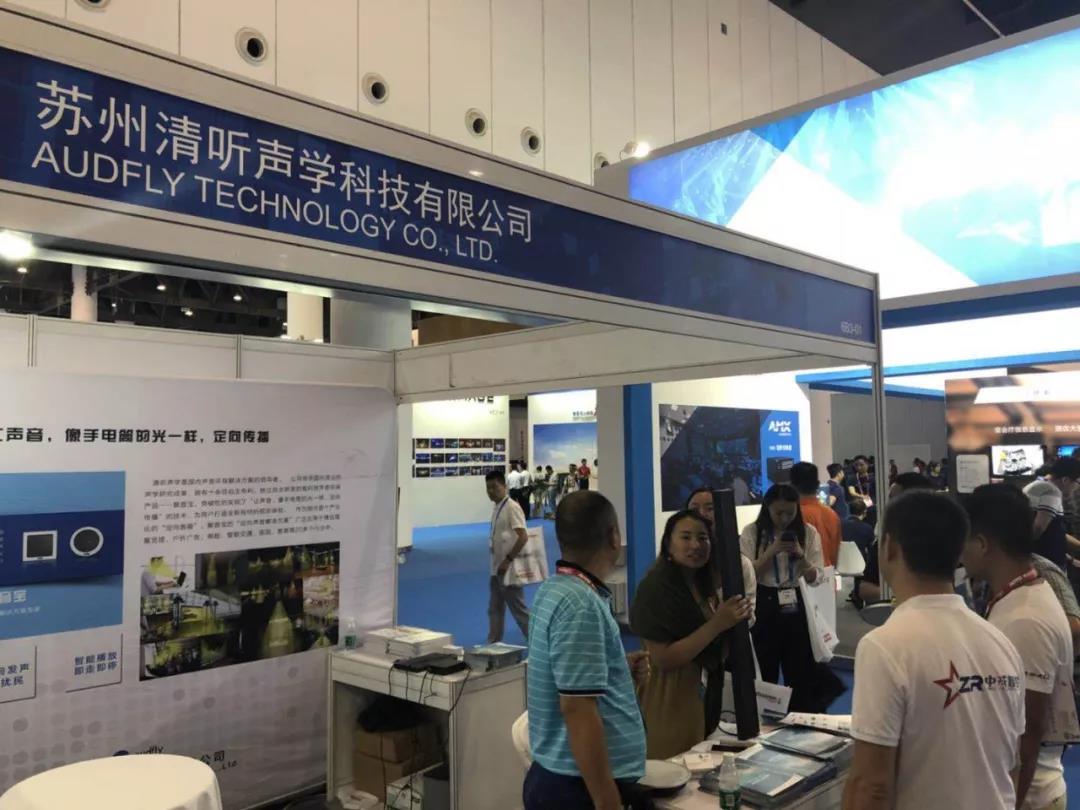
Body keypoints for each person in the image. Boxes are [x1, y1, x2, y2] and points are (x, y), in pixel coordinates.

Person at [843, 491, 1025, 810]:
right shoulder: (1000, 642)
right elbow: (1012, 765)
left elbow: (871, 786)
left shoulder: (885, 646)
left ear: (889, 547)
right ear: (958, 553)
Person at [523, 491, 650, 810]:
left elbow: (566, 677)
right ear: (613, 536)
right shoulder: (580, 604)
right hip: (577, 789)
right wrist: (607, 802)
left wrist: (615, 668)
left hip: (567, 781)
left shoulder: (554, 589)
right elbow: (577, 709)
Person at [961, 484, 1076, 810]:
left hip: (1030, 797)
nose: (960, 553)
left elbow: (1028, 732)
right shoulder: (1018, 598)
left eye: (964, 541)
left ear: (982, 544)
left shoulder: (1025, 619)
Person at [630, 510, 754, 759]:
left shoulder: (702, 585)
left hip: (702, 698)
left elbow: (714, 647)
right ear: (669, 544)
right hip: (668, 698)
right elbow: (663, 658)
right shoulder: (655, 589)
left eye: (702, 538)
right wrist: (718, 623)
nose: (695, 545)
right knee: (671, 769)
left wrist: (734, 623)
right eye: (686, 537)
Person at [739, 484, 828, 711]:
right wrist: (772, 551)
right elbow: (748, 575)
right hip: (763, 599)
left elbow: (816, 578)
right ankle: (763, 716)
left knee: (800, 667)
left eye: (790, 512)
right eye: (778, 513)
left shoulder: (808, 533)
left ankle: (800, 715)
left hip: (795, 599)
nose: (785, 518)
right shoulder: (752, 532)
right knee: (764, 665)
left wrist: (800, 556)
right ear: (767, 508)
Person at [854, 473, 935, 606]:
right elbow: (864, 588)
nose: (889, 506)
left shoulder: (945, 542)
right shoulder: (888, 543)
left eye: (895, 500)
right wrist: (898, 595)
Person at [484, 471, 530, 644]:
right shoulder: (497, 507)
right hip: (496, 568)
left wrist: (508, 560)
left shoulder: (512, 507)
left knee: (519, 611)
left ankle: (539, 644)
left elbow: (523, 536)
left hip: (509, 569)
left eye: (494, 487)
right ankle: (493, 643)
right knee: (495, 609)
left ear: (504, 486)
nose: (491, 491)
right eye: (488, 488)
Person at [1024, 457, 1080, 569]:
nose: (1077, 487)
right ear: (1065, 480)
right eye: (1078, 482)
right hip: (1047, 564)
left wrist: (1070, 559)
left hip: (1041, 560)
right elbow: (1039, 528)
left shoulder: (1037, 485)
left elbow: (1052, 531)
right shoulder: (1052, 491)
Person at [791, 462, 841, 568]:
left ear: (792, 486)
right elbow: (836, 554)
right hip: (828, 574)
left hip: (801, 575)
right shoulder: (832, 515)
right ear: (818, 485)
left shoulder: (792, 515)